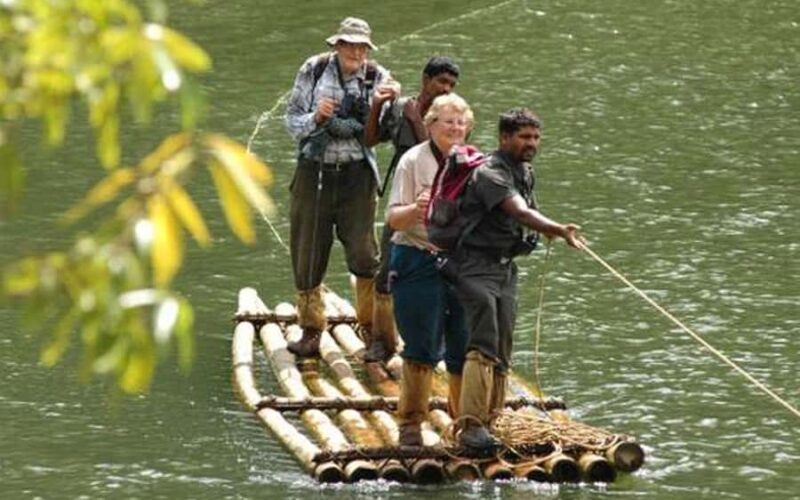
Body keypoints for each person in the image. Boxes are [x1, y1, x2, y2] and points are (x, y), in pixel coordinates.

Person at [452, 108, 585, 450]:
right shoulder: (490, 173)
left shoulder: (524, 172)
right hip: (474, 266)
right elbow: (520, 212)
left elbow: (528, 212)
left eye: (536, 137)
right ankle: (470, 426)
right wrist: (559, 230)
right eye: (525, 137)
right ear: (504, 137)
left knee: (503, 345)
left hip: (505, 267)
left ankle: (491, 418)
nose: (532, 143)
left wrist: (544, 231)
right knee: (483, 343)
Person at [284, 17, 399, 357]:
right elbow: (291, 122)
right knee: (307, 250)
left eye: (362, 46)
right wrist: (317, 118)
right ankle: (310, 328)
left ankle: (372, 327)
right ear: (337, 45)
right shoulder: (313, 69)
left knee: (365, 253)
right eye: (349, 44)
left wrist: (389, 104)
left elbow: (385, 133)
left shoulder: (378, 77)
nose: (356, 52)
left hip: (357, 176)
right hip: (313, 171)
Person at [360, 56, 461, 363]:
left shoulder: (452, 117)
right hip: (404, 201)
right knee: (386, 272)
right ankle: (382, 341)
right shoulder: (400, 108)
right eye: (441, 81)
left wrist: (416, 119)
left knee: (437, 275)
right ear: (425, 79)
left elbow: (439, 150)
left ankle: (432, 342)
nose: (446, 89)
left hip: (439, 205)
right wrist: (378, 106)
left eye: (451, 84)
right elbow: (370, 139)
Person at [386, 93, 472, 445]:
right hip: (416, 256)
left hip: (461, 261)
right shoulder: (412, 161)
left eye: (461, 122)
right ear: (431, 124)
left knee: (464, 342)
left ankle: (466, 422)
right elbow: (394, 220)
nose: (455, 128)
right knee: (420, 343)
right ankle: (410, 423)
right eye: (448, 121)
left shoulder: (474, 162)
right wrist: (415, 209)